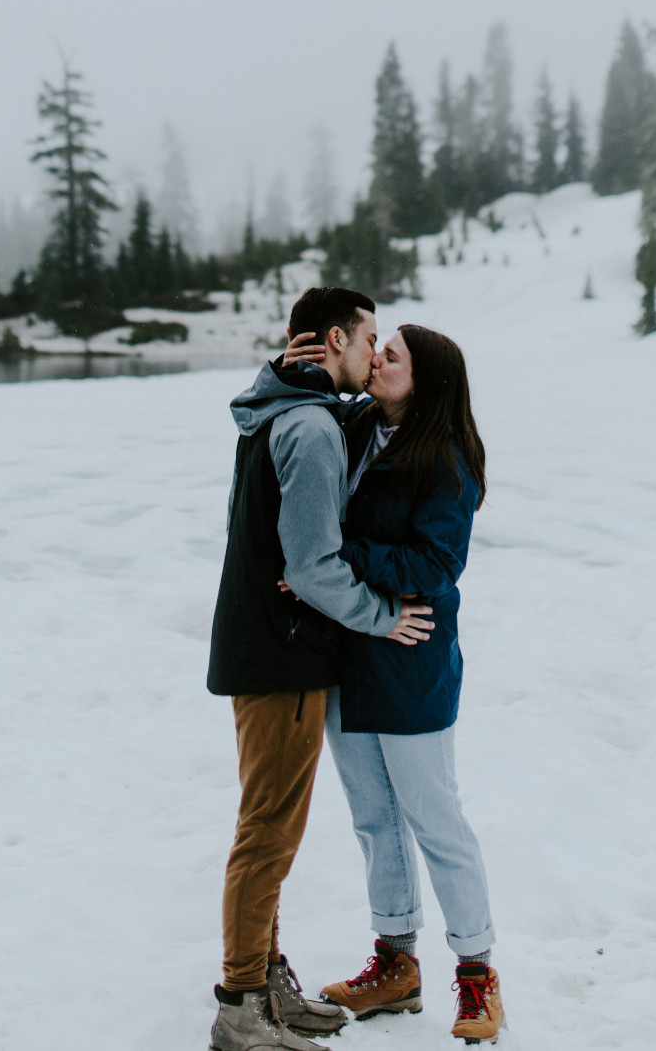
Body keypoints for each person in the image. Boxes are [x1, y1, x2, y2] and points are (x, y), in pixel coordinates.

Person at [206, 287, 435, 1051]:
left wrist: (279, 370)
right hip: (284, 649)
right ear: (335, 337)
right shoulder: (307, 427)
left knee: (269, 825)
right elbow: (311, 568)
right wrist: (384, 617)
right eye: (369, 338)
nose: (377, 353)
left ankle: (268, 984)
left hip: (270, 642)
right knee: (268, 830)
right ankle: (242, 1005)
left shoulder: (288, 409)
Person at [315, 324, 504, 1044]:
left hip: (412, 663)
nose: (376, 360)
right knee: (373, 816)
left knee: (433, 817)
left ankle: (477, 973)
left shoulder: (444, 463)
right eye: (376, 347)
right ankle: (395, 962)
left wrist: (338, 555)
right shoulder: (357, 426)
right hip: (350, 656)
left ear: (423, 381)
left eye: (391, 355)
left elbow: (432, 567)